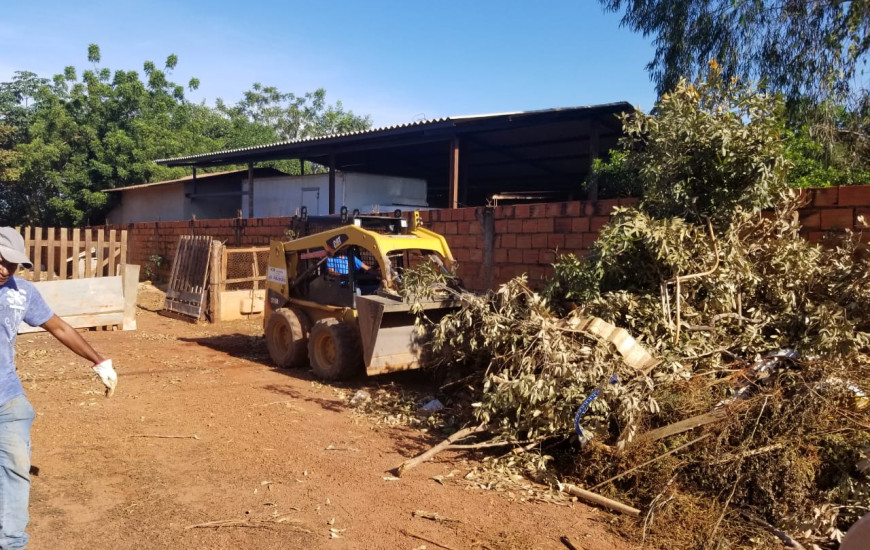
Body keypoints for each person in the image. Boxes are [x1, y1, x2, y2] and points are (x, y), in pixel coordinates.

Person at [0, 227, 117, 548]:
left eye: (11, 264)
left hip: (7, 399)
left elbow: (60, 327)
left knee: (15, 470)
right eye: (0, 260)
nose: (4, 269)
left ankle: (10, 543)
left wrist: (99, 361)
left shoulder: (21, 292)